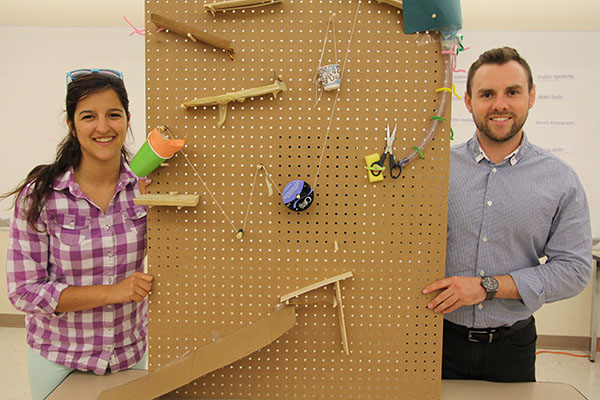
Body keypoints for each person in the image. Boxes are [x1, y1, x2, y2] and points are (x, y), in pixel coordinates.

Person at [422, 47, 592, 382]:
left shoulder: (561, 179)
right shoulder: (435, 170)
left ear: (531, 97)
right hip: (435, 338)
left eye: (512, 92)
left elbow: (574, 270)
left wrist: (488, 287)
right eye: (487, 94)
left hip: (511, 347)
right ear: (468, 102)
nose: (500, 104)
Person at [4, 69, 153, 399]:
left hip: (130, 352)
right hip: (60, 357)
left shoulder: (145, 189)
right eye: (88, 117)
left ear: (127, 119)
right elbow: (24, 292)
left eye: (113, 114)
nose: (103, 127)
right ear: (72, 125)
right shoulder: (40, 196)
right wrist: (113, 292)